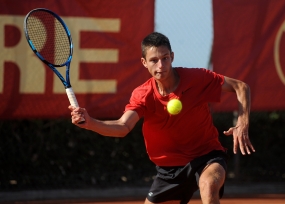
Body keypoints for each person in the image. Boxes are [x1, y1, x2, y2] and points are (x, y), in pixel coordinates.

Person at [69, 32, 255, 204]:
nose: (161, 65)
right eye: (154, 60)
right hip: (169, 170)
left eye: (165, 58)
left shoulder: (196, 78)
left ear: (172, 57)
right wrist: (90, 122)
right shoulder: (142, 94)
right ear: (144, 62)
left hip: (206, 156)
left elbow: (241, 87)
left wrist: (242, 122)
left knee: (208, 187)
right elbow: (123, 126)